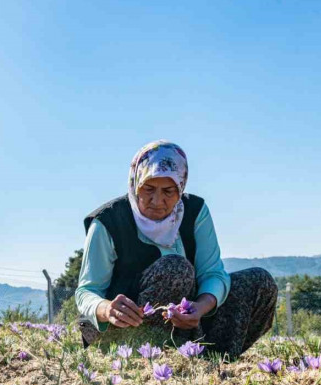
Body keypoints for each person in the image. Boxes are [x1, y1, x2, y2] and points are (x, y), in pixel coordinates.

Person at [75, 140, 277, 359]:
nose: (157, 201)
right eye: (148, 189)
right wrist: (107, 309)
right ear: (135, 183)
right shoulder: (109, 221)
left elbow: (212, 273)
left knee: (260, 282)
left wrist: (200, 307)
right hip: (121, 328)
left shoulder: (195, 212)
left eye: (168, 191)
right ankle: (141, 354)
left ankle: (210, 359)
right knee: (176, 268)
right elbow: (86, 291)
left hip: (187, 323)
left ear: (181, 187)